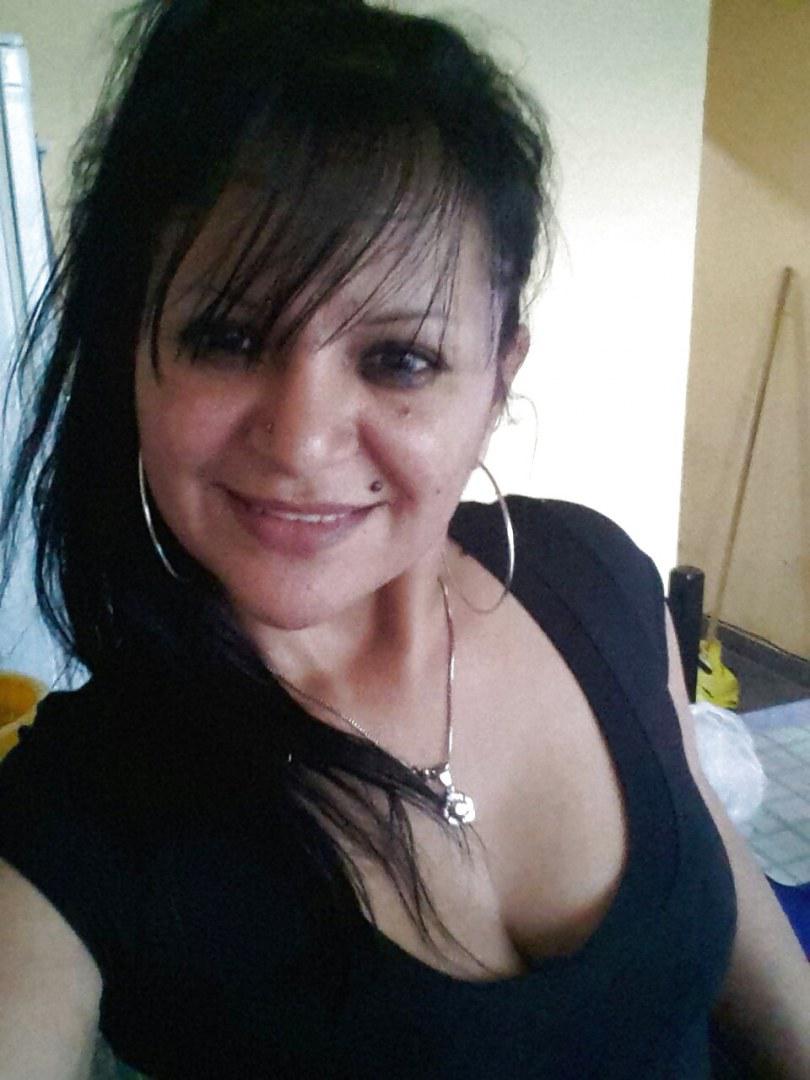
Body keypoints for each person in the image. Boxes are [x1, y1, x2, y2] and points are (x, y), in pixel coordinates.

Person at [0, 1, 808, 1077]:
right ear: (133, 361)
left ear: (498, 379)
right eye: (227, 337)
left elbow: (715, 872)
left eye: (400, 359)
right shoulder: (80, 817)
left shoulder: (600, 578)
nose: (301, 441)